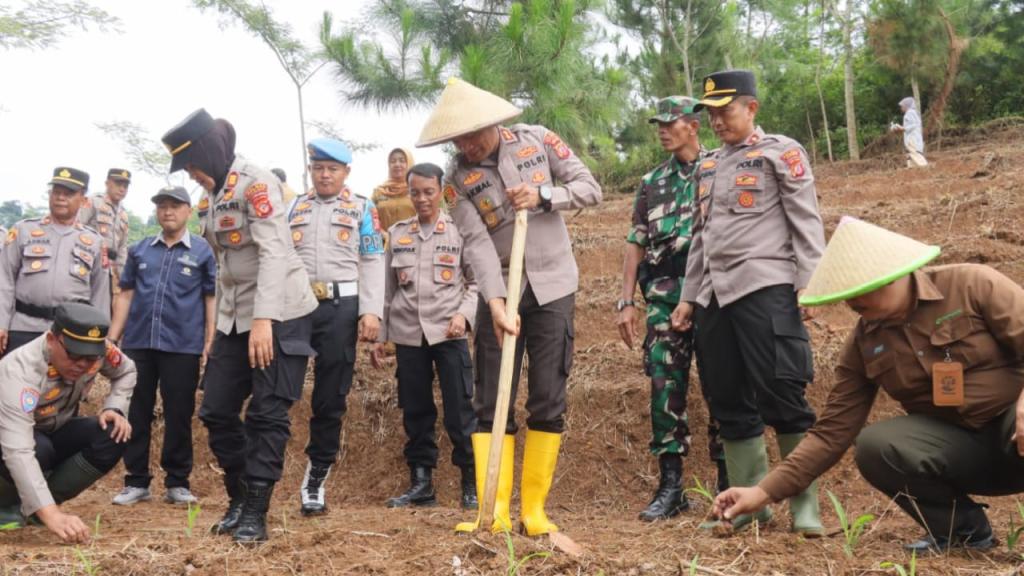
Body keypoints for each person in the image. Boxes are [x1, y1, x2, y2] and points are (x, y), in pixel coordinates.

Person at [712, 217, 1022, 553]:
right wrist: (761, 492)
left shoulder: (972, 285)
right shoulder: (863, 343)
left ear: (890, 275)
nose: (851, 304)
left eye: (858, 292)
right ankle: (964, 533)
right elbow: (830, 434)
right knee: (877, 446)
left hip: (1013, 430)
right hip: (963, 452)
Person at [418, 78, 600, 536]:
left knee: (547, 395)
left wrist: (544, 198)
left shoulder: (538, 139)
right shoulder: (457, 181)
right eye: (457, 139)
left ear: (494, 122)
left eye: (473, 133)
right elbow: (476, 244)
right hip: (500, 290)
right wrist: (496, 304)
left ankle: (534, 511)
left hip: (554, 285)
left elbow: (588, 187)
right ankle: (494, 509)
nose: (467, 144)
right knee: (489, 398)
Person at [672, 70, 826, 535]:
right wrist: (687, 299)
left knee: (783, 395)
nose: (717, 121)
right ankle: (749, 507)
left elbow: (807, 221)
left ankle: (805, 507)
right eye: (711, 114)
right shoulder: (708, 166)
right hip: (715, 297)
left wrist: (813, 284)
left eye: (726, 111)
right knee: (728, 401)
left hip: (766, 287)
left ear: (752, 108)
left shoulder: (781, 152)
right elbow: (701, 237)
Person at [162, 108, 318, 543]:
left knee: (268, 413)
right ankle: (239, 495)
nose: (191, 175)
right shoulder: (213, 194)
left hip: (280, 313)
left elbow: (274, 253)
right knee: (215, 409)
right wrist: (218, 330)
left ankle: (256, 511)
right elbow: (224, 266)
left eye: (191, 164)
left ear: (209, 152)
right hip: (234, 319)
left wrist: (264, 319)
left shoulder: (257, 183)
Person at [618, 96, 727, 522]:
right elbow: (636, 241)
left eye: (671, 122)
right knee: (665, 389)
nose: (662, 129)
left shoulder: (721, 167)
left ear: (693, 126)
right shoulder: (652, 182)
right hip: (663, 298)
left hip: (714, 296)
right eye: (658, 123)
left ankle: (727, 484)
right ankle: (672, 487)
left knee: (723, 386)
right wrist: (626, 301)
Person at [371, 162, 478, 511]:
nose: (421, 199)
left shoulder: (459, 232)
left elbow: (477, 283)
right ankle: (421, 484)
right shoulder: (398, 234)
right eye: (414, 192)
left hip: (449, 333)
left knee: (460, 412)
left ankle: (471, 483)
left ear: (441, 191)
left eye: (428, 192)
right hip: (408, 335)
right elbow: (387, 292)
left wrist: (464, 315)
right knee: (416, 410)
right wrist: (379, 337)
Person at [289, 138, 384, 516]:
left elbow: (373, 259)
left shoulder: (362, 207)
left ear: (346, 173)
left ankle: (316, 478)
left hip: (341, 307)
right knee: (282, 389)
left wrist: (371, 311)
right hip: (296, 306)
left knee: (330, 396)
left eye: (332, 168)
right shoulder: (294, 206)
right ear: (310, 170)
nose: (324, 174)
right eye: (318, 168)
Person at [107, 186, 217, 507]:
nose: (167, 212)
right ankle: (136, 481)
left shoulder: (201, 252)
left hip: (182, 346)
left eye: (174, 206)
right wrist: (113, 338)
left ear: (187, 212)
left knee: (178, 413)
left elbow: (210, 297)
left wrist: (210, 340)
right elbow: (125, 295)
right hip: (139, 343)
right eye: (162, 206)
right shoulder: (141, 250)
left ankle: (177, 482)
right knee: (137, 411)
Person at [0, 302, 135, 542]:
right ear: (52, 339)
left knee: (113, 432)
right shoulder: (19, 370)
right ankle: (7, 504)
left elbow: (127, 370)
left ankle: (36, 510)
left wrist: (114, 407)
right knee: (39, 450)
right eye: (74, 355)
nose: (82, 365)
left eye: (90, 358)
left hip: (54, 428)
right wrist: (53, 515)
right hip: (12, 439)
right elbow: (17, 450)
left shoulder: (99, 352)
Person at [0, 167, 110, 356]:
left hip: (71, 332)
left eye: (68, 194)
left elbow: (100, 295)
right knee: (14, 383)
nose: (60, 198)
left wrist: (99, 339)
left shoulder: (95, 242)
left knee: (61, 386)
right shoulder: (23, 230)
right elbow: (4, 280)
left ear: (83, 201)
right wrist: (1, 324)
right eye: (56, 192)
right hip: (23, 327)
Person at [77, 168, 132, 297]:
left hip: (110, 270)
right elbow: (77, 228)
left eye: (125, 186)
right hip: (88, 263)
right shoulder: (93, 201)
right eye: (118, 184)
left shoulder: (123, 214)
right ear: (107, 183)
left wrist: (122, 277)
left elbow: (122, 249)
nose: (122, 189)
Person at [372, 148, 416, 235]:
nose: (397, 164)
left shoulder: (416, 190)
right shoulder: (379, 192)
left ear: (409, 163)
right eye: (393, 161)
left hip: (412, 242)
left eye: (402, 161)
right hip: (384, 243)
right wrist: (383, 234)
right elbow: (370, 218)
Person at [890, 97, 928, 168]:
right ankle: (912, 168)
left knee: (914, 153)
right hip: (912, 137)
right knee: (911, 154)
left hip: (912, 138)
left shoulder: (910, 113)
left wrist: (902, 128)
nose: (901, 108)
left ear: (906, 106)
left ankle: (924, 166)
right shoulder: (911, 113)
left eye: (902, 106)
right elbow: (911, 125)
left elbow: (913, 125)